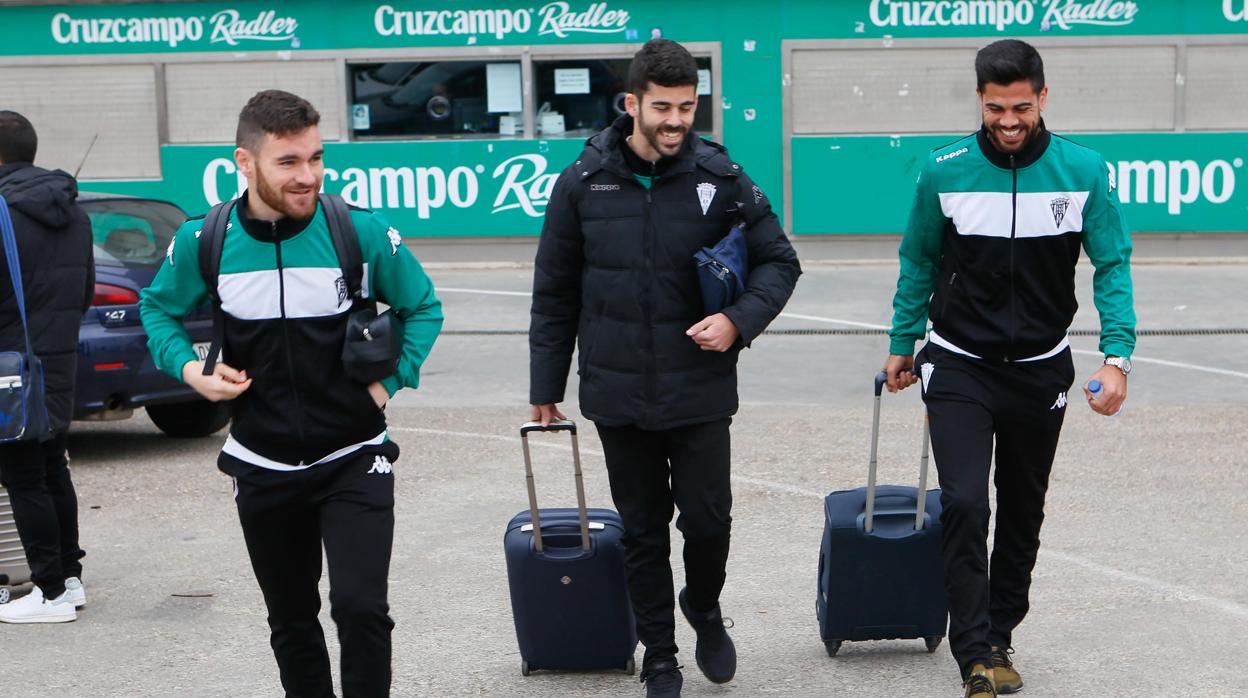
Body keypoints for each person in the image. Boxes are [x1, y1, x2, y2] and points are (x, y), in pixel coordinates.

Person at [139, 90, 442, 697]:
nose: (307, 175)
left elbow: (422, 308)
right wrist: (192, 371)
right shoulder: (205, 240)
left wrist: (387, 384)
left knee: (360, 609)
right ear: (245, 162)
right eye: (288, 162)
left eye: (315, 158)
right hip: (260, 462)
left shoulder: (358, 230)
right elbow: (157, 309)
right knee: (292, 621)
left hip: (353, 454)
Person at [529, 39, 801, 698]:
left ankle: (702, 605)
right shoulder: (582, 182)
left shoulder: (722, 178)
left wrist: (738, 320)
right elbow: (554, 289)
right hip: (617, 389)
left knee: (709, 521)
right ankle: (660, 656)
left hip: (699, 385)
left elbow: (779, 261)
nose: (677, 120)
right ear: (632, 104)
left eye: (687, 106)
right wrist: (545, 385)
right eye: (663, 108)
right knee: (643, 531)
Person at [882, 39, 1136, 698]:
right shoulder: (944, 170)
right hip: (959, 363)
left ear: (1043, 97)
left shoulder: (1084, 170)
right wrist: (903, 340)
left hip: (1040, 369)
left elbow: (1112, 264)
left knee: (1023, 511)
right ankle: (973, 653)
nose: (1009, 121)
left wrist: (1117, 358)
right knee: (966, 502)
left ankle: (999, 635)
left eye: (1021, 107)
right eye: (996, 108)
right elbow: (918, 259)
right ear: (980, 99)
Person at [0, 111, 93, 625]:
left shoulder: (2, 210)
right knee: (53, 465)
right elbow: (84, 291)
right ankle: (70, 579)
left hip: (10, 363)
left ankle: (50, 592)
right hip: (58, 357)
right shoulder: (73, 210)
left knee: (23, 475)